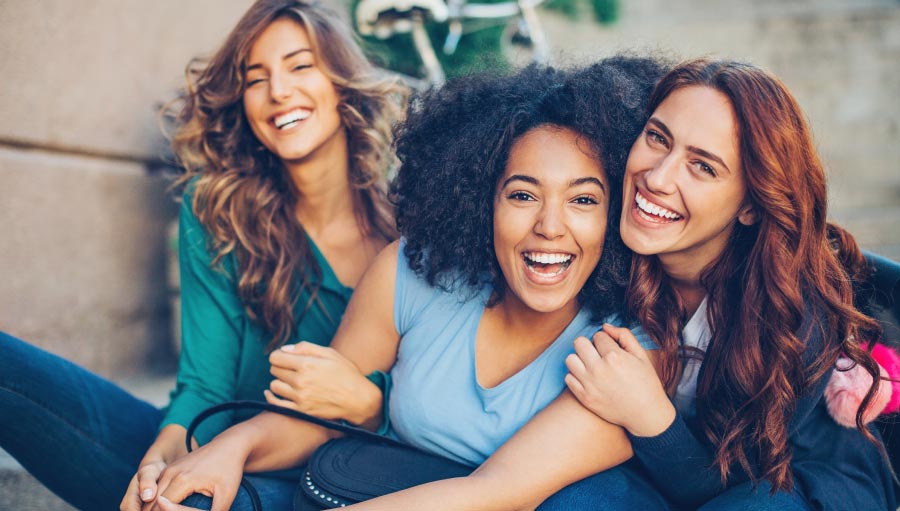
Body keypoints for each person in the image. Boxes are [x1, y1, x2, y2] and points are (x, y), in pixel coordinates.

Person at [144, 57, 668, 511]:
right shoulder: (412, 273)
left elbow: (502, 494)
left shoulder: (631, 349)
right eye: (522, 195)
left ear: (617, 211)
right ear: (481, 201)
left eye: (583, 200)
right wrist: (230, 448)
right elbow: (325, 420)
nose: (549, 226)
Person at [0, 1, 405, 510]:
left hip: (333, 483)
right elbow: (204, 384)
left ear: (343, 83)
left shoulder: (409, 229)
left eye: (301, 66)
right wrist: (161, 458)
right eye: (256, 78)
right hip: (211, 438)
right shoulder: (222, 211)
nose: (279, 91)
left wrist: (372, 407)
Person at [546, 59, 898, 510]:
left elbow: (729, 485)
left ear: (751, 205)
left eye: (703, 167)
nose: (657, 178)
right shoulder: (603, 245)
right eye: (657, 138)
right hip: (649, 470)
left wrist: (648, 414)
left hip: (792, 482)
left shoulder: (794, 312)